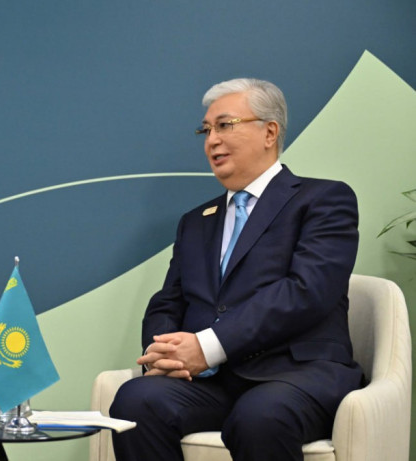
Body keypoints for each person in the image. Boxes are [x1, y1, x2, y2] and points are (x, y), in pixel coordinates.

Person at [109, 78, 363, 461]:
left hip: (293, 375)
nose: (212, 140)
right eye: (206, 130)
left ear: (269, 132)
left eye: (225, 125)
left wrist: (208, 346)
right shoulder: (196, 221)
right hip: (211, 384)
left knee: (259, 416)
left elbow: (307, 291)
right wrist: (163, 353)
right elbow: (169, 301)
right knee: (136, 400)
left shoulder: (324, 199)